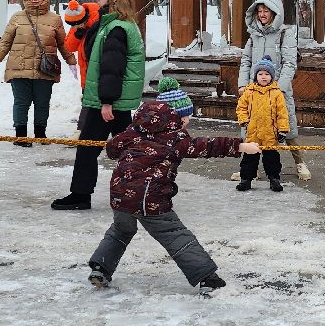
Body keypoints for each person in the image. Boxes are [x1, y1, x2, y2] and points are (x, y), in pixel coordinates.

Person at [87, 78, 260, 293]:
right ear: (175, 116)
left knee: (120, 230)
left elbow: (112, 149)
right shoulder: (175, 138)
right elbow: (206, 145)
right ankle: (206, 277)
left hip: (120, 194)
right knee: (174, 232)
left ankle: (100, 268)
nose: (187, 121)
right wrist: (242, 145)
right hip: (149, 198)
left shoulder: (133, 132)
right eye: (186, 116)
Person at [51, 0, 144, 210]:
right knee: (130, 148)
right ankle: (143, 187)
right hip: (111, 99)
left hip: (107, 101)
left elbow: (112, 68)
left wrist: (106, 102)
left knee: (88, 148)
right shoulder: (112, 24)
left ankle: (81, 195)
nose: (95, 0)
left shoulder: (117, 28)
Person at [0, 0, 74, 147]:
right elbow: (5, 42)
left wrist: (71, 62)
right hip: (19, 67)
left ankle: (40, 134)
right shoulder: (17, 17)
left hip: (45, 69)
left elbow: (63, 44)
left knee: (42, 102)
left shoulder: (54, 19)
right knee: (21, 102)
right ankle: (21, 136)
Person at [235, 0, 311, 181]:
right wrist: (243, 84)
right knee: (251, 130)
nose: (262, 14)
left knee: (288, 128)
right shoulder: (253, 36)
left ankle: (300, 163)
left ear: (274, 13)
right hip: (254, 92)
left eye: (266, 11)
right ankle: (250, 170)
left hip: (278, 92)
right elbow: (246, 61)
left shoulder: (286, 34)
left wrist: (279, 88)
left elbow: (290, 64)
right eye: (259, 11)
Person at [236, 57, 291, 193]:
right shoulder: (249, 91)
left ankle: (274, 179)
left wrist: (282, 130)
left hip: (270, 134)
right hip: (253, 133)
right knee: (249, 159)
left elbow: (282, 113)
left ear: (271, 76)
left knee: (272, 159)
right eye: (260, 74)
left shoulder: (276, 93)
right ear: (256, 76)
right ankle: (246, 180)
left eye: (267, 74)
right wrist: (244, 121)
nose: (263, 77)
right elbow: (241, 107)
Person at [62, 0, 102, 85]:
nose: (73, 28)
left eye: (75, 25)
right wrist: (77, 35)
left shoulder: (99, 19)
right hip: (85, 73)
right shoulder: (77, 25)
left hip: (99, 72)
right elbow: (69, 47)